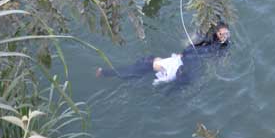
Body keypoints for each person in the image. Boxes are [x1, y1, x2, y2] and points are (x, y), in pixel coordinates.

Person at [96, 23, 231, 87]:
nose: (224, 36)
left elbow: (217, 60)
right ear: (216, 32)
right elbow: (192, 44)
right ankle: (108, 73)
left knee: (147, 65)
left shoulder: (224, 46)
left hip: (186, 64)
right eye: (221, 33)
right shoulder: (207, 38)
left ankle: (107, 73)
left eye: (226, 34)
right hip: (182, 60)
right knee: (145, 65)